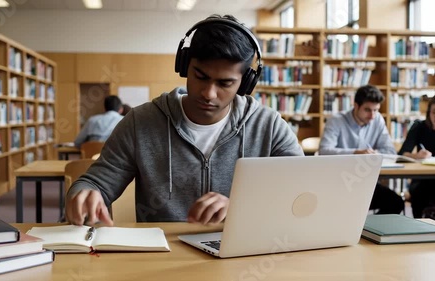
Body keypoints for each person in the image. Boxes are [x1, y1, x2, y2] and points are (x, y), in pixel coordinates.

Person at [65, 14, 304, 226]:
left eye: (225, 83)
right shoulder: (140, 122)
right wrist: (86, 193)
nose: (209, 93)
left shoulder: (269, 126)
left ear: (246, 83)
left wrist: (242, 207)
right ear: (184, 66)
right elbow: (95, 181)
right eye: (200, 76)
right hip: (164, 258)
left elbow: (301, 191)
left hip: (242, 256)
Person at [319, 84, 405, 214]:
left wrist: (375, 154)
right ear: (356, 105)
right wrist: (356, 153)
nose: (372, 115)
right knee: (346, 208)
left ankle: (370, 232)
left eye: (375, 110)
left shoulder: (377, 120)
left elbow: (390, 151)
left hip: (366, 182)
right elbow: (324, 151)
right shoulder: (336, 121)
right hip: (339, 184)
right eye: (367, 110)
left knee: (396, 203)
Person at [398, 91, 435, 218]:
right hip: (422, 179)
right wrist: (416, 156)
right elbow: (401, 154)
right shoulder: (419, 126)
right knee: (421, 192)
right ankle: (419, 227)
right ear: (428, 111)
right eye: (434, 112)